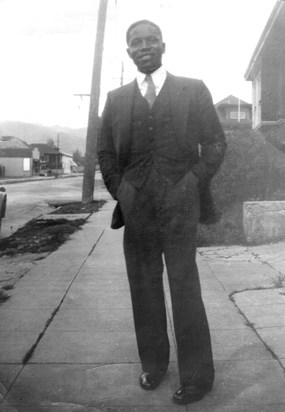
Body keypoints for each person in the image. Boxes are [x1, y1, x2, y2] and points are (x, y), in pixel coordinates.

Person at [97, 19, 226, 405]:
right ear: (129, 52)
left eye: (151, 40)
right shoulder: (116, 99)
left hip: (180, 202)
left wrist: (193, 181)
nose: (145, 46)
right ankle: (153, 365)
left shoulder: (193, 89)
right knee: (144, 286)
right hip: (136, 204)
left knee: (185, 286)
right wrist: (120, 188)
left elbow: (216, 143)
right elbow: (105, 152)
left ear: (164, 46)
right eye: (137, 42)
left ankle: (198, 378)